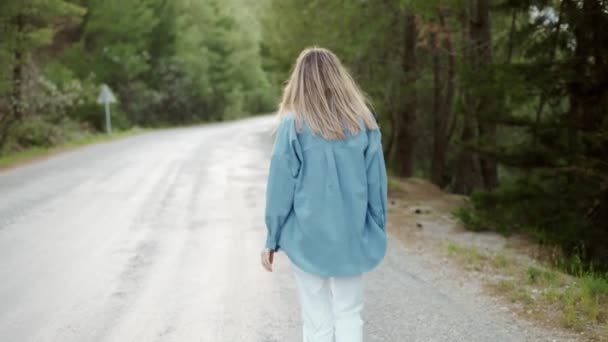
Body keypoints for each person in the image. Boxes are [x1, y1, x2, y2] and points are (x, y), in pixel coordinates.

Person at [260, 47, 388, 342]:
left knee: (316, 318)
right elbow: (376, 182)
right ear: (338, 78)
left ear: (299, 81)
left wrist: (272, 236)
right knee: (349, 313)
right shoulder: (364, 122)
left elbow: (280, 185)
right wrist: (377, 225)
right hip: (351, 233)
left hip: (306, 237)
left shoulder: (294, 125)